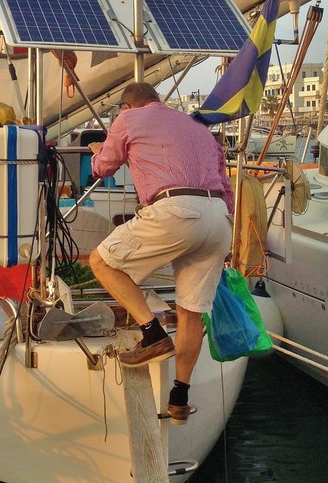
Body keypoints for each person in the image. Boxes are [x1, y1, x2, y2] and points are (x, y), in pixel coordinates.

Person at [88, 82, 234, 423]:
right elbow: (226, 186)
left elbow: (103, 167)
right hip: (218, 217)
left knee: (102, 262)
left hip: (175, 211)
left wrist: (98, 150)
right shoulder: (197, 127)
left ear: (126, 106)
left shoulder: (128, 119)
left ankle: (152, 334)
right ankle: (179, 397)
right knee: (190, 312)